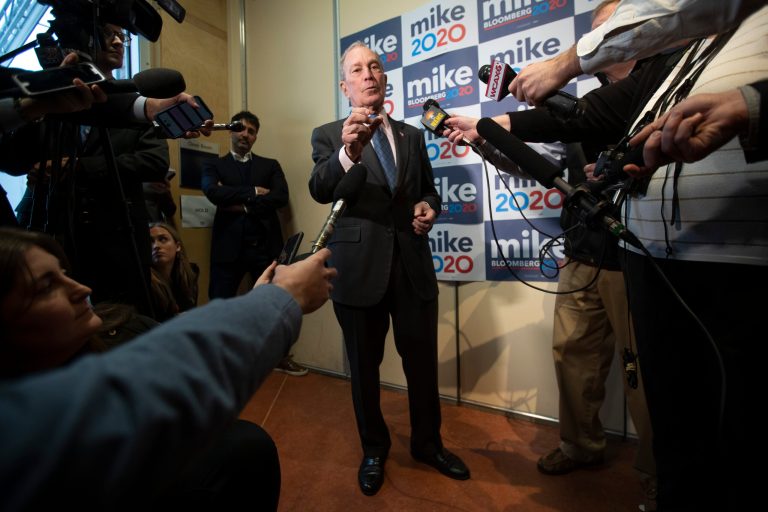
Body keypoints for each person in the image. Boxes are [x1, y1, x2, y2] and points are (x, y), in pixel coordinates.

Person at [444, 4, 656, 507]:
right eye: (596, 28)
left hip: (637, 257)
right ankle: (580, 446)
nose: (599, 36)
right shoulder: (575, 110)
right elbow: (538, 163)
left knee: (642, 370)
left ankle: (656, 472)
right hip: (583, 254)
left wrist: (496, 123)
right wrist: (486, 141)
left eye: (610, 26)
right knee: (571, 355)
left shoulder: (656, 89)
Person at [0, 226, 336, 510]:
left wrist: (255, 299)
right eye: (46, 286)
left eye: (65, 274)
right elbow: (169, 374)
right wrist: (283, 297)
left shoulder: (124, 322)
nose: (81, 290)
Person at [309, 41, 470, 497]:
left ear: (385, 77)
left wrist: (429, 208)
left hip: (413, 267)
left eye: (375, 66)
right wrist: (347, 151)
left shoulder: (413, 136)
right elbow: (321, 188)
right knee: (363, 369)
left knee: (422, 366)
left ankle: (427, 444)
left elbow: (430, 192)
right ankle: (373, 450)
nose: (369, 74)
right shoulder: (327, 134)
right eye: (358, 70)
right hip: (358, 270)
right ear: (346, 87)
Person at [201, 110, 306, 376]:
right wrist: (254, 192)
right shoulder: (214, 166)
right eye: (240, 128)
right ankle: (217, 360)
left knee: (274, 305)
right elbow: (213, 192)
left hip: (265, 247)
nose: (245, 134)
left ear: (256, 136)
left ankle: (280, 357)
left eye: (251, 131)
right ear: (231, 131)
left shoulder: (270, 165)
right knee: (220, 304)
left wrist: (237, 203)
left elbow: (280, 197)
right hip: (228, 248)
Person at [509, 0, 766, 107]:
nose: (605, 39)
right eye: (598, 32)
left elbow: (677, 7)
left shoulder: (667, 68)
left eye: (611, 31)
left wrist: (561, 65)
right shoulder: (595, 97)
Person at [149, 221, 199, 320]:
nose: (156, 246)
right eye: (149, 241)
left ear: (178, 246)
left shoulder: (190, 273)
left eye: (162, 239)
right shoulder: (143, 280)